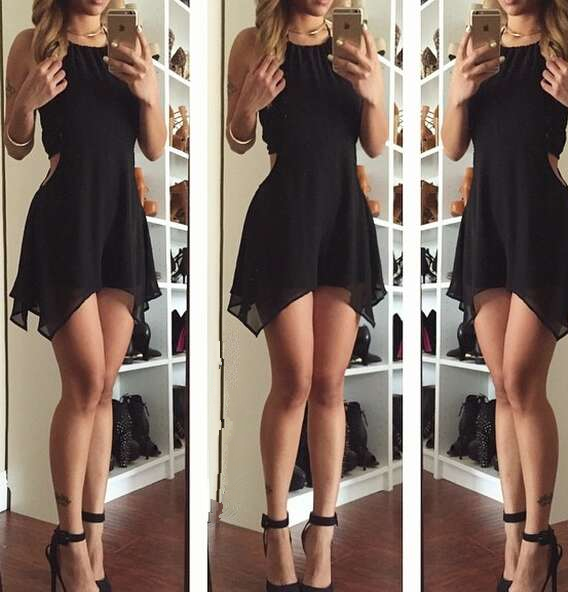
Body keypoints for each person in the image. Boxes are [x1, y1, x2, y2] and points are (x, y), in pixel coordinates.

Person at [226, 0, 388, 589]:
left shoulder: (357, 39)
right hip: (285, 217)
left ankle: (322, 531)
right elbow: (238, 137)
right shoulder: (253, 42)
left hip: (343, 217)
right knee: (293, 381)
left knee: (330, 385)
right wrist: (248, 102)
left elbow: (375, 144)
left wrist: (373, 90)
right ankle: (275, 528)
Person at [4, 1, 165, 589]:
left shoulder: (132, 43)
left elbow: (154, 147)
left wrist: (148, 90)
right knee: (84, 383)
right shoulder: (31, 44)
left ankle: (92, 536)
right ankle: (69, 543)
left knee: (104, 386)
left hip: (121, 220)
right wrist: (26, 101)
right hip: (66, 218)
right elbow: (16, 143)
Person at [443, 1, 568, 590]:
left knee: (523, 384)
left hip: (541, 218)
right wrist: (459, 89)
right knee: (502, 387)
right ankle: (514, 537)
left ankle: (538, 544)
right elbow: (454, 148)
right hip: (487, 220)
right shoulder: (475, 43)